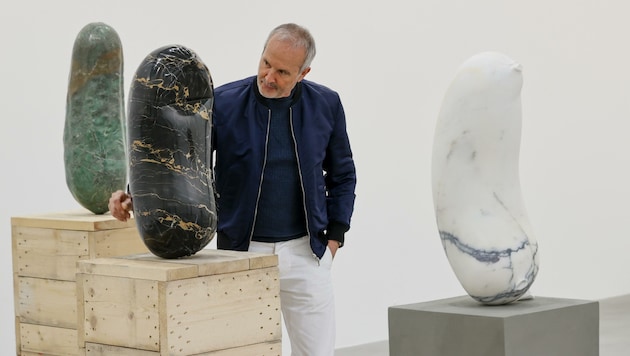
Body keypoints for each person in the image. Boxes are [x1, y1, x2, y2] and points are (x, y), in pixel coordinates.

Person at [109, 23, 356, 356]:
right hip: (241, 251)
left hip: (306, 255)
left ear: (303, 72)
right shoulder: (224, 102)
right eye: (266, 63)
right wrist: (135, 195)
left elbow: (343, 174)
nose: (269, 76)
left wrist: (334, 239)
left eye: (283, 71)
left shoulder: (326, 104)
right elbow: (184, 162)